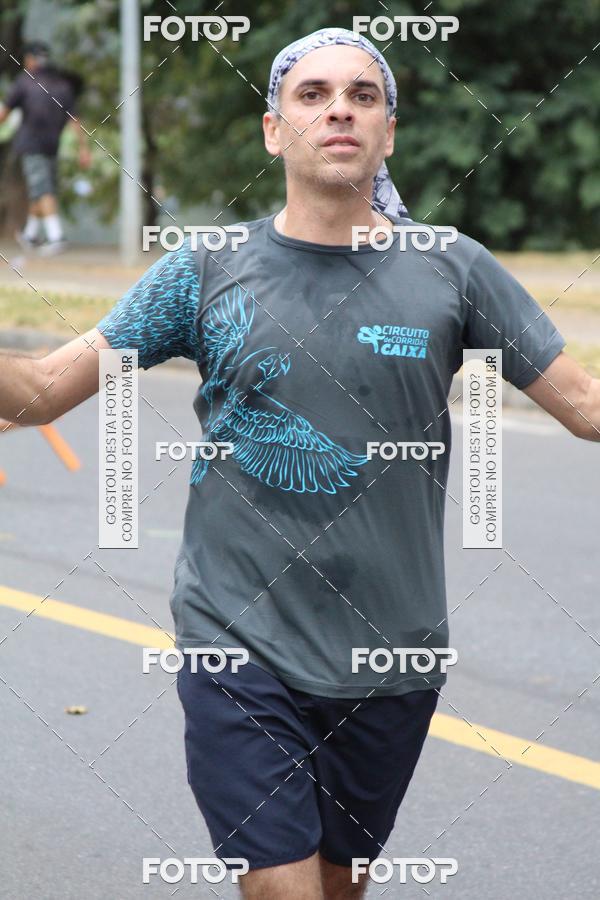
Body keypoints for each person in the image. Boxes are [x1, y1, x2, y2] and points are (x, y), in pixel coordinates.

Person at [0, 25, 598, 900]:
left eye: (362, 96)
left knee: (336, 883)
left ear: (389, 131)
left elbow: (584, 406)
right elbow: (45, 390)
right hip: (236, 643)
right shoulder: (204, 268)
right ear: (275, 128)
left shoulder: (451, 269)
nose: (339, 111)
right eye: (312, 95)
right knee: (282, 887)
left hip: (392, 655)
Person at [0, 40, 91, 255]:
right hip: (52, 145)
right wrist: (83, 149)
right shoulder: (63, 85)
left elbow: (3, 114)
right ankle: (31, 235)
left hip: (31, 145)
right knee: (40, 189)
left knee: (43, 190)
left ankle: (56, 237)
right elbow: (75, 121)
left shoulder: (24, 82)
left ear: (30, 60)